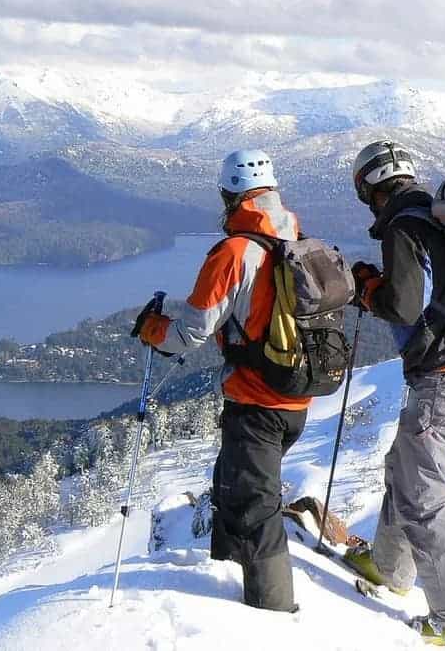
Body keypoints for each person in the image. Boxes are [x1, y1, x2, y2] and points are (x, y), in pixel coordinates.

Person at [133, 149, 309, 613]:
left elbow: (192, 332)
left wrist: (154, 330)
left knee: (255, 506)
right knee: (232, 485)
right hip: (296, 395)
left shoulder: (233, 251)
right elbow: (248, 304)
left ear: (229, 194)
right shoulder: (294, 237)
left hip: (257, 401)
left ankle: (272, 612)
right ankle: (227, 579)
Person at [344, 140, 445, 646]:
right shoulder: (433, 216)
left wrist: (367, 288)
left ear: (368, 187)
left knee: (424, 494)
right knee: (403, 468)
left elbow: (405, 307)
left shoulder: (405, 226)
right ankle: (388, 566)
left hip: (444, 379)